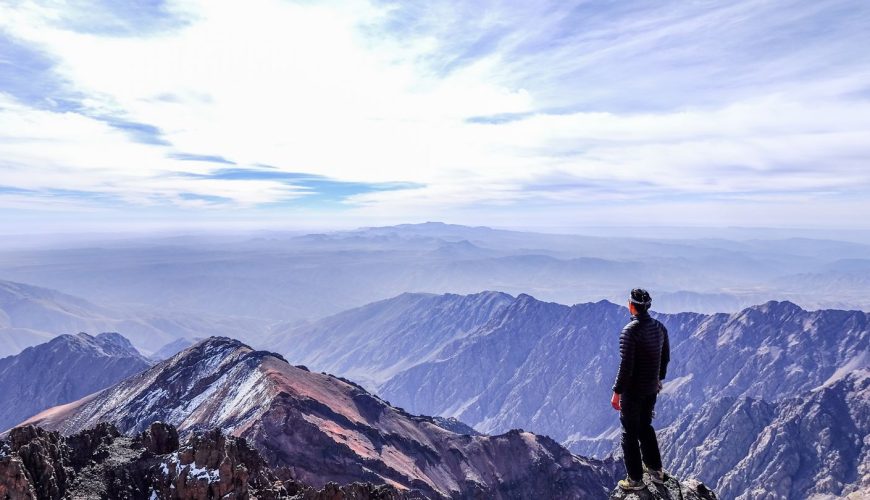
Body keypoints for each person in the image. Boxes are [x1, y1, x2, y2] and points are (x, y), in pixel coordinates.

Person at [610, 288, 670, 491]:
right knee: (645, 427)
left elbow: (625, 366)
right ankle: (656, 471)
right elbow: (665, 358)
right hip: (651, 388)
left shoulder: (630, 332)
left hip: (633, 390)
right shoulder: (660, 328)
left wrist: (617, 392)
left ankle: (635, 479)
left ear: (631, 305)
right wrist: (658, 380)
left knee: (629, 432)